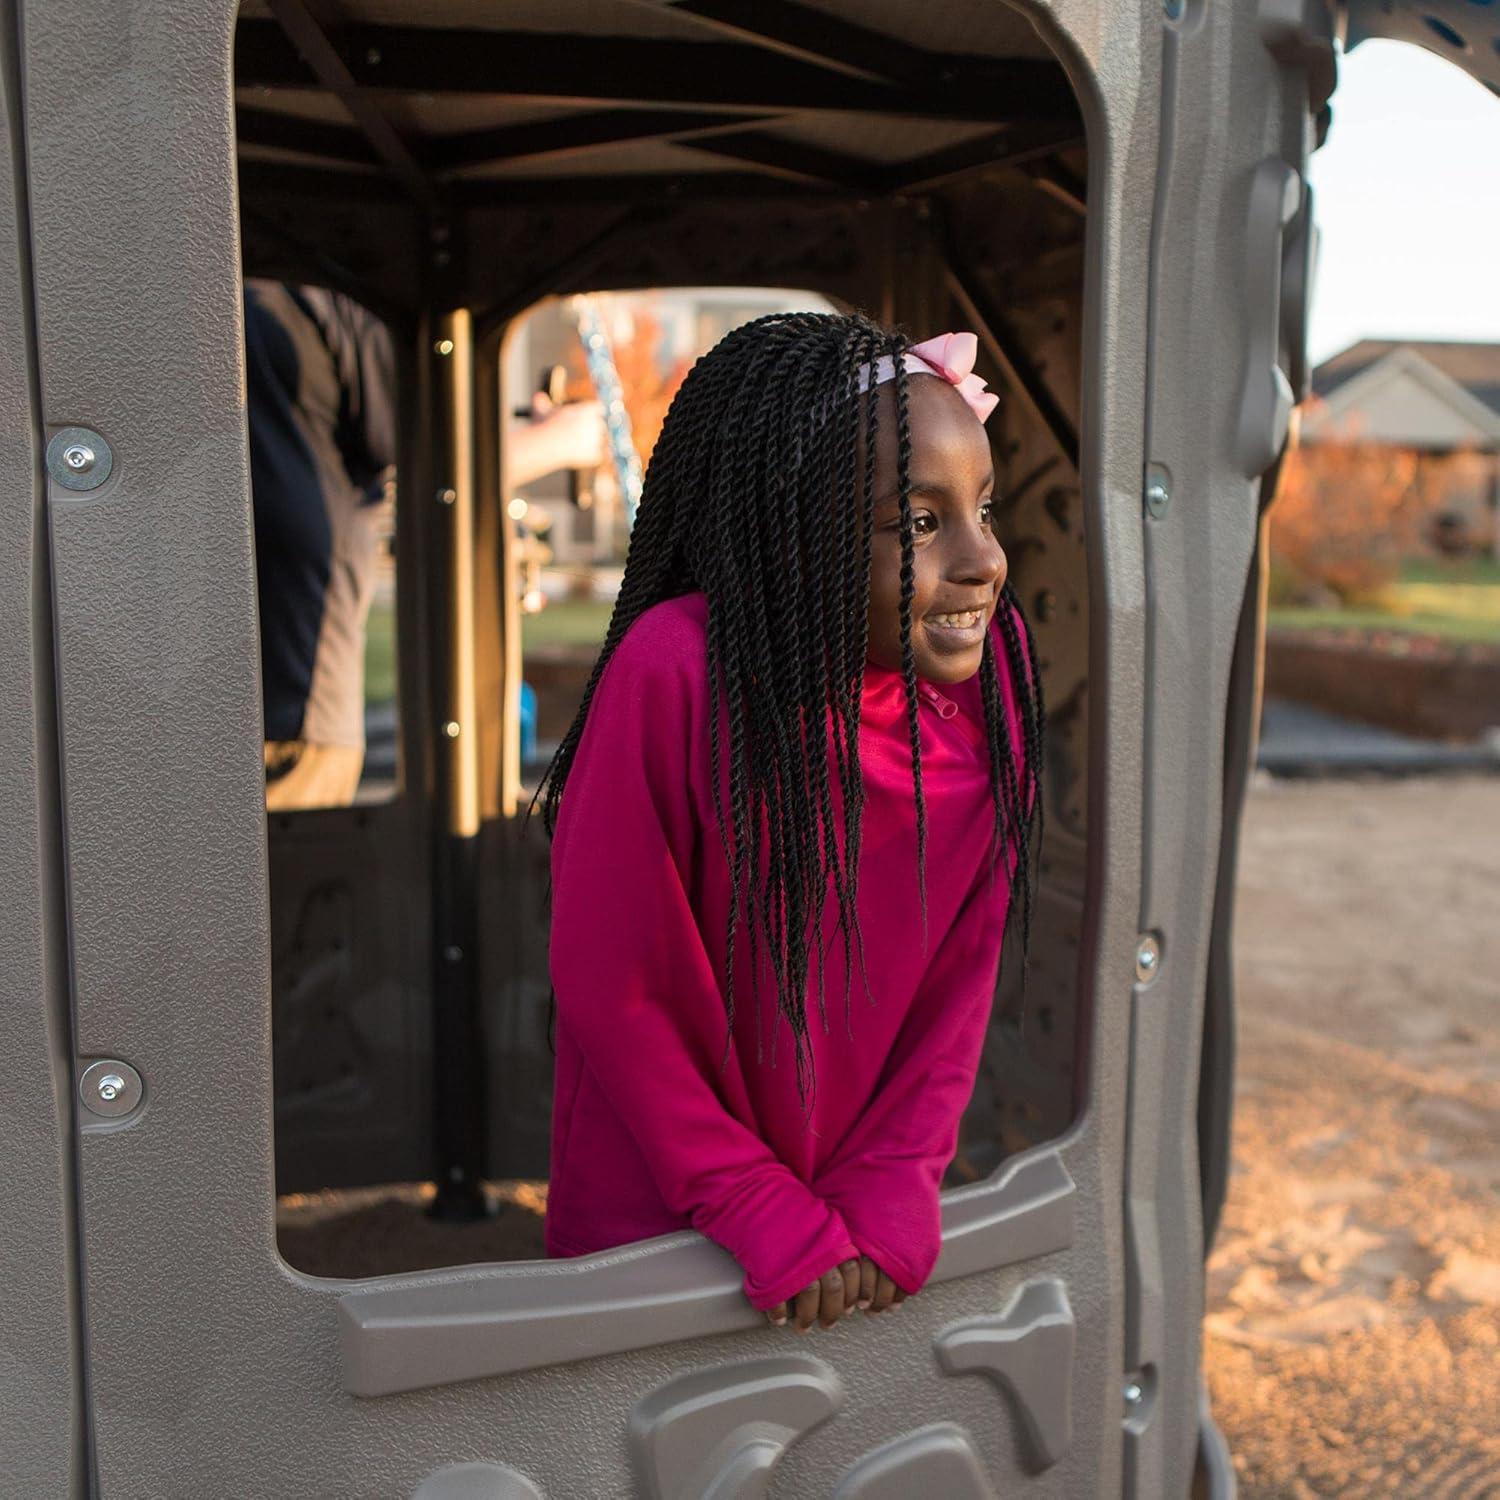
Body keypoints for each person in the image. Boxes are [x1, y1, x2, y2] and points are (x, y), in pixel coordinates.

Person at [537, 313, 1045, 1334]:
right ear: (788, 527)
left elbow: (965, 967)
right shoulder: (676, 671)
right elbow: (614, 981)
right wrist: (752, 1200)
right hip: (661, 1218)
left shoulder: (994, 676)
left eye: (983, 509)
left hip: (858, 1221)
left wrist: (896, 1179)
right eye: (920, 523)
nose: (984, 559)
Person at [245, 281, 604, 809]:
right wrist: (562, 439)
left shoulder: (225, 289)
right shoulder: (326, 288)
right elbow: (430, 456)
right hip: (298, 690)